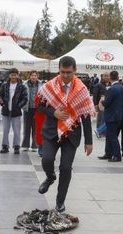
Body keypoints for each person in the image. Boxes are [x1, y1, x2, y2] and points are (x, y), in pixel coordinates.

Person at [37, 56, 94, 213]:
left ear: (75, 70)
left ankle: (60, 201)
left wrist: (89, 141)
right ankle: (50, 177)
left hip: (72, 133)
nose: (66, 76)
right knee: (47, 159)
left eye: (69, 72)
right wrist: (53, 112)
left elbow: (86, 115)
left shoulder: (82, 90)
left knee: (66, 167)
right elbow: (40, 106)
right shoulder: (50, 86)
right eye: (63, 72)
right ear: (59, 70)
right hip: (51, 131)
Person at [0, 68, 28, 154]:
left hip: (16, 112)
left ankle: (16, 147)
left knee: (16, 130)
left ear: (17, 75)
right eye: (12, 74)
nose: (13, 76)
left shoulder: (22, 86)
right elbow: (0, 95)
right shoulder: (4, 85)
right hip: (6, 111)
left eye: (15, 74)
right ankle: (5, 146)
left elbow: (25, 98)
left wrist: (18, 106)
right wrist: (2, 103)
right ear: (9, 75)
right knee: (5, 130)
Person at [99, 70, 123, 162]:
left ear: (110, 77)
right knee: (110, 135)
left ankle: (117, 155)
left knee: (112, 136)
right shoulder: (121, 87)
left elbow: (106, 103)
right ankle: (108, 153)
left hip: (111, 116)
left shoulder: (112, 89)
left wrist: (102, 100)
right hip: (118, 115)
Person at [22, 71, 41, 152]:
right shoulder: (24, 84)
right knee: (26, 128)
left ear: (37, 76)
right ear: (29, 76)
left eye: (35, 75)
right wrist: (22, 105)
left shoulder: (41, 85)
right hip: (27, 109)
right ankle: (25, 145)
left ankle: (35, 145)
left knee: (36, 128)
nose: (33, 77)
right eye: (32, 75)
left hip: (37, 109)